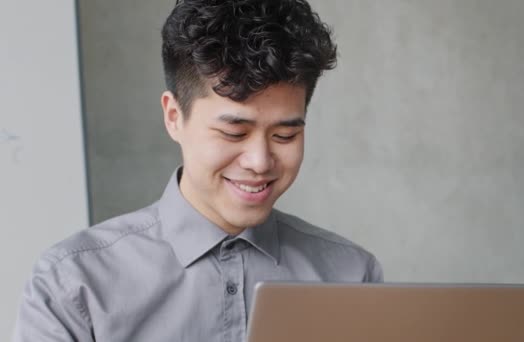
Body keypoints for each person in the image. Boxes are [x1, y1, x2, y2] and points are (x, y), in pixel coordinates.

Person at [13, 0, 383, 341]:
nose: (259, 161)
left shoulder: (350, 274)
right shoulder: (73, 285)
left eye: (285, 134)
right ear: (174, 117)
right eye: (233, 132)